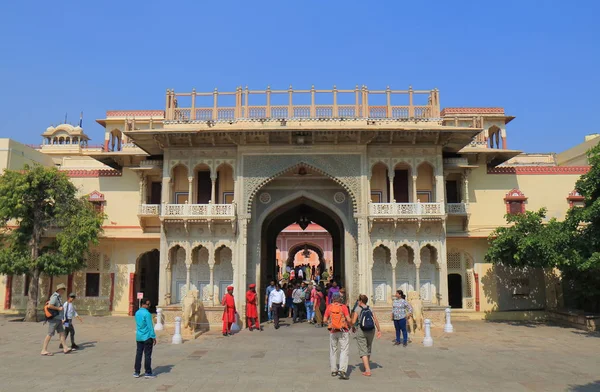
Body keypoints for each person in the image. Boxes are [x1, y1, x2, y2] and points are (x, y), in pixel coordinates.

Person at [351, 294, 382, 377]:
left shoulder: (357, 309)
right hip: (371, 330)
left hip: (361, 330)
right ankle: (366, 366)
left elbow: (353, 321)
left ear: (360, 301)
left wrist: (352, 326)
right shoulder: (370, 308)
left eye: (358, 300)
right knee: (368, 347)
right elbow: (375, 320)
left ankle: (367, 370)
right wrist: (379, 330)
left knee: (362, 349)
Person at [324, 292, 352, 380]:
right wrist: (351, 326)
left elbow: (324, 319)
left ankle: (333, 370)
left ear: (332, 298)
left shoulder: (329, 307)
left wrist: (330, 323)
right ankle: (342, 370)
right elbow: (349, 319)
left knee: (333, 350)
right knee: (344, 350)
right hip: (343, 331)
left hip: (333, 331)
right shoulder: (343, 307)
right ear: (339, 298)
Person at [41, 283, 72, 356]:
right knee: (50, 334)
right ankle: (44, 350)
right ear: (60, 289)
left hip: (58, 318)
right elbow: (50, 306)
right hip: (54, 319)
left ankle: (65, 347)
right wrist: (58, 308)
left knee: (62, 332)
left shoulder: (59, 297)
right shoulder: (55, 297)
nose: (64, 291)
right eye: (63, 289)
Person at [134, 298, 157, 379]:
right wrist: (153, 337)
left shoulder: (137, 313)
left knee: (139, 354)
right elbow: (150, 326)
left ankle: (137, 371)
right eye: (148, 304)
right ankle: (148, 372)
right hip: (147, 337)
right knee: (147, 355)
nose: (149, 306)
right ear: (144, 304)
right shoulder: (147, 314)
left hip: (139, 336)